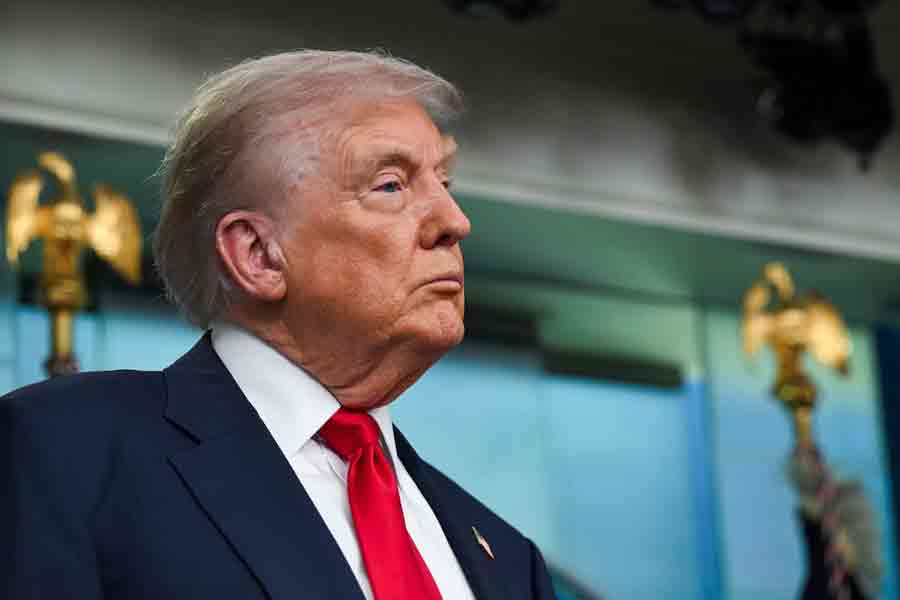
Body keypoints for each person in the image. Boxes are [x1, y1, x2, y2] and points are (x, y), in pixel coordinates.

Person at [1, 50, 555, 599]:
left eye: (445, 184)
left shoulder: (508, 561)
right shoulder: (61, 452)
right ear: (258, 255)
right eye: (391, 185)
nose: (455, 222)